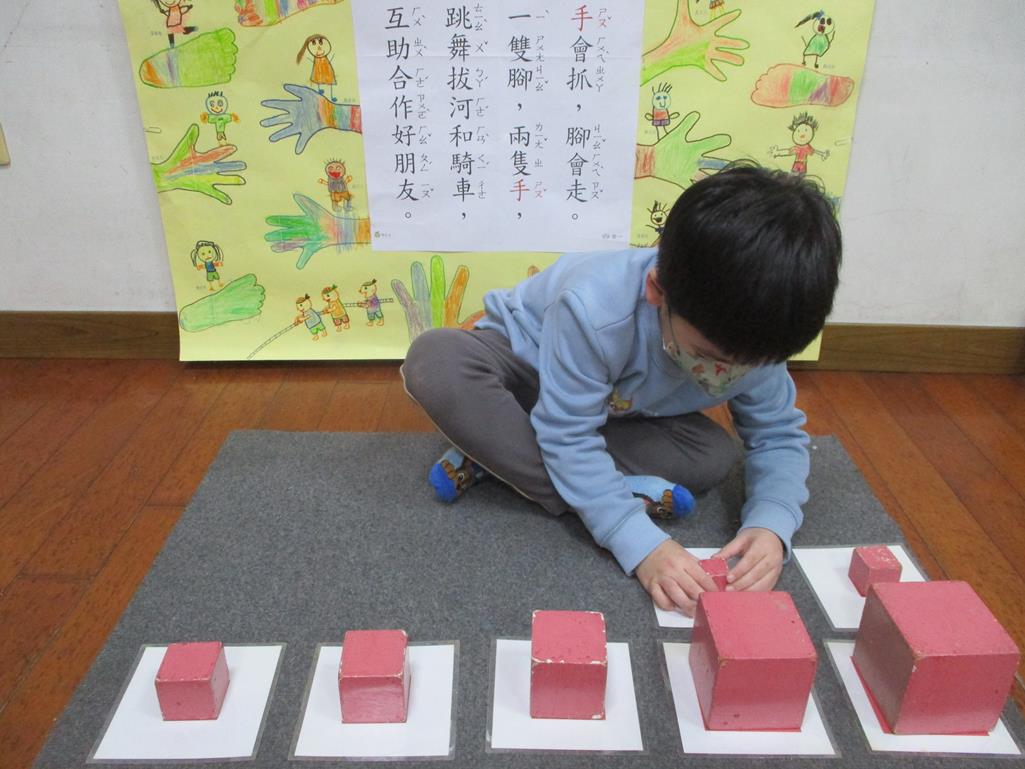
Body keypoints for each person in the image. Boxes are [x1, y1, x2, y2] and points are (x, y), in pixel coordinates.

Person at [401, 163, 842, 616]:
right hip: (524, 377)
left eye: (749, 364)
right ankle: (583, 484)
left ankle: (498, 459)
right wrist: (637, 539)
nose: (725, 374)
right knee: (437, 361)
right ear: (657, 291)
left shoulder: (758, 335)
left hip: (614, 413)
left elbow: (777, 436)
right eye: (706, 353)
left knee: (713, 457)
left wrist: (772, 521)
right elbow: (567, 435)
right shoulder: (595, 306)